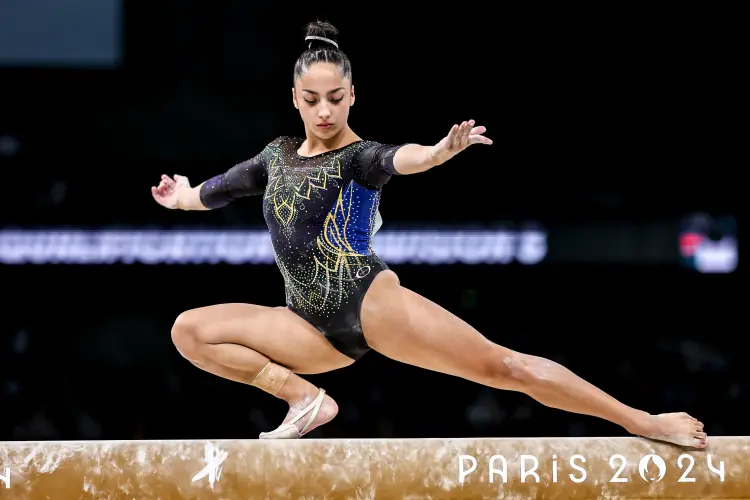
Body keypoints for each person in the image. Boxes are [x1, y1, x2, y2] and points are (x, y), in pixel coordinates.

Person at [151, 20, 707, 447]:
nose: (325, 111)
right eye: (313, 99)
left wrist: (440, 152)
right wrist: (181, 196)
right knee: (190, 331)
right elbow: (216, 190)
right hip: (305, 327)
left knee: (503, 367)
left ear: (352, 95)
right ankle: (304, 399)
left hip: (367, 303)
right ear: (295, 97)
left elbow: (402, 158)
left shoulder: (360, 157)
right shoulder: (273, 157)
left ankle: (642, 421)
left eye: (336, 98)